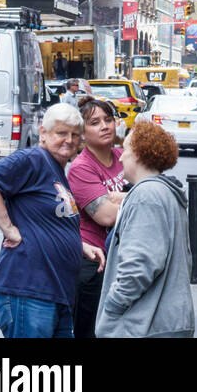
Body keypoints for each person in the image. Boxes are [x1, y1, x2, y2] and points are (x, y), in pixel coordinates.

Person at [0, 103, 105, 339]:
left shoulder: (56, 171)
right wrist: (8, 229)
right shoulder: (34, 158)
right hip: (29, 292)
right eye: (61, 133)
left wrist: (80, 246)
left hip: (55, 295)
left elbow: (48, 221)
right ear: (43, 133)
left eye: (75, 135)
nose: (69, 140)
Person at [95, 122, 194, 339]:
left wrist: (112, 307)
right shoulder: (165, 192)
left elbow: (139, 265)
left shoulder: (146, 196)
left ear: (139, 154)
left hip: (145, 325)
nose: (120, 157)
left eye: (127, 150)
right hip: (166, 322)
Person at [67, 97, 127, 338]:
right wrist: (132, 196)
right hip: (94, 263)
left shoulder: (123, 155)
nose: (104, 126)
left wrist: (118, 196)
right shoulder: (81, 168)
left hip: (121, 258)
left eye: (108, 119)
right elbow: (106, 216)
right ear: (82, 132)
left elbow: (153, 186)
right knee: (91, 330)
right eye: (94, 122)